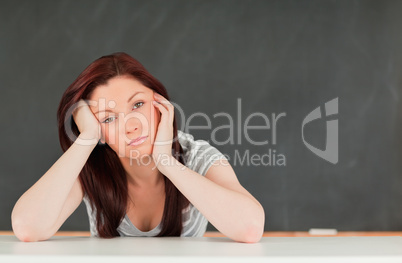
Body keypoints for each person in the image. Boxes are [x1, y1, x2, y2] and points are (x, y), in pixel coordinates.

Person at [11, 52, 265, 243]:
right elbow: (28, 228)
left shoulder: (198, 156)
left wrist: (166, 162)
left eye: (137, 105)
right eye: (108, 118)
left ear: (160, 105)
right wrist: (87, 138)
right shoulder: (89, 166)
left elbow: (250, 227)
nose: (131, 126)